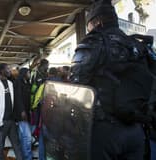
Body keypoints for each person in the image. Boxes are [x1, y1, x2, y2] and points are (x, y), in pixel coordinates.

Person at [70, 0, 155, 160]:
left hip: (104, 132)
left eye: (89, 24)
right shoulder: (138, 45)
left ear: (97, 22)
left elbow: (76, 86)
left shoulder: (92, 42)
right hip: (136, 131)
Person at [0, 63, 22, 160]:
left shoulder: (10, 84)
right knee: (0, 146)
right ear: (1, 71)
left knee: (16, 144)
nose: (9, 71)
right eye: (7, 69)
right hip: (2, 121)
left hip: (11, 120)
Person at [30, 59, 49, 160]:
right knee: (36, 125)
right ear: (43, 65)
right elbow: (33, 90)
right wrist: (33, 104)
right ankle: (32, 141)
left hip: (43, 106)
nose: (48, 67)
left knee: (40, 127)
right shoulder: (36, 74)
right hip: (36, 106)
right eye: (47, 65)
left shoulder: (44, 74)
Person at [14, 68, 32, 160]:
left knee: (24, 138)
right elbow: (18, 98)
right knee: (27, 138)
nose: (30, 74)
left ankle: (23, 157)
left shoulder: (27, 83)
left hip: (27, 114)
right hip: (22, 114)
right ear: (24, 73)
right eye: (28, 72)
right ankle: (27, 157)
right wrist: (22, 111)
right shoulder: (18, 82)